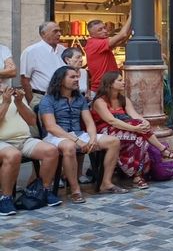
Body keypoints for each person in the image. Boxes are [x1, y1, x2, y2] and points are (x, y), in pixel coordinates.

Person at [39, 66, 125, 202]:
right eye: (72, 77)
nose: (77, 80)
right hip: (56, 136)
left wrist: (91, 138)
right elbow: (51, 127)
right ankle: (75, 190)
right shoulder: (48, 100)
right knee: (69, 147)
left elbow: (89, 122)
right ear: (61, 80)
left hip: (79, 134)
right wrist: (76, 141)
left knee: (113, 141)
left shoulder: (79, 98)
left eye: (77, 77)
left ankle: (106, 183)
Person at [91, 72, 173, 189]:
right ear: (110, 84)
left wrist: (145, 122)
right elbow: (111, 121)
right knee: (139, 134)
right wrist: (135, 128)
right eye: (119, 80)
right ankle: (157, 156)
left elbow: (134, 115)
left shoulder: (123, 99)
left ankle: (138, 175)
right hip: (106, 131)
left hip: (126, 130)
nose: (123, 82)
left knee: (140, 137)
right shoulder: (100, 101)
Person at [0, 86, 62, 214]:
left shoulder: (15, 96)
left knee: (51, 151)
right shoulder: (6, 99)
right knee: (13, 155)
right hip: (2, 142)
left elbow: (32, 121)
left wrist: (19, 102)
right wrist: (5, 103)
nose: (3, 83)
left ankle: (44, 191)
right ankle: (5, 198)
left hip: (24, 139)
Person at [20, 22, 66, 110]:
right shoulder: (31, 51)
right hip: (40, 98)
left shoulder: (63, 50)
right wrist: (31, 102)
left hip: (62, 98)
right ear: (43, 34)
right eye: (55, 31)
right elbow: (25, 79)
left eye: (60, 31)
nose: (59, 34)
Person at [83, 15, 131, 95]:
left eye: (104, 28)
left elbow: (122, 40)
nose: (105, 31)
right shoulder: (95, 43)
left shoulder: (98, 42)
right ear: (92, 34)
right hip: (102, 90)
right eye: (100, 30)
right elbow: (123, 35)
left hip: (107, 88)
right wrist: (132, 15)